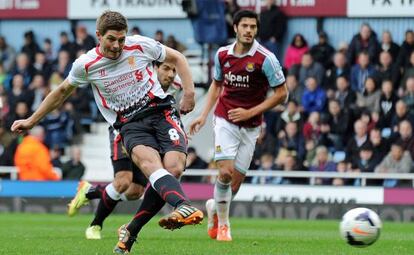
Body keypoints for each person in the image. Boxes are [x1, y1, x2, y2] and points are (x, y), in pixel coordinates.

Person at [11, 11, 203, 254]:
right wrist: (31, 120)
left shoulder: (139, 45)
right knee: (148, 165)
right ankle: (183, 205)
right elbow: (60, 93)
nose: (117, 45)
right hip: (129, 123)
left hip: (162, 112)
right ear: (98, 36)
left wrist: (189, 92)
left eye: (121, 39)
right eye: (111, 39)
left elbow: (177, 57)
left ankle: (130, 231)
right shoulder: (86, 64)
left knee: (173, 168)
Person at [189, 10, 287, 241]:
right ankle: (224, 225)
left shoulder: (266, 59)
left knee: (234, 185)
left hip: (251, 126)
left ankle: (214, 208)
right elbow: (216, 85)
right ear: (235, 28)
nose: (249, 30)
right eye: (244, 26)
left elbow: (282, 94)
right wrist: (203, 116)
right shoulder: (222, 54)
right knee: (224, 172)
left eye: (253, 27)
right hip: (225, 120)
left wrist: (250, 112)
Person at [67, 61, 182, 240]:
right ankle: (95, 225)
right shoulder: (141, 79)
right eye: (166, 68)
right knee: (123, 181)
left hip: (149, 133)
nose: (170, 74)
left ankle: (91, 192)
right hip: (124, 129)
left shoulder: (177, 86)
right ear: (154, 68)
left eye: (173, 70)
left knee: (136, 191)